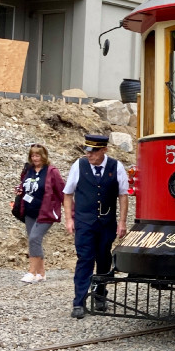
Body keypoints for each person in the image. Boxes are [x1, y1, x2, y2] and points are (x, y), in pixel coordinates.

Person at [62, 134, 129, 319]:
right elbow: (67, 194)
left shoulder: (116, 167)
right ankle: (79, 302)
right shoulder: (79, 165)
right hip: (84, 223)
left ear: (104, 150)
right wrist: (69, 219)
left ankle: (100, 295)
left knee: (104, 259)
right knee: (84, 259)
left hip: (106, 223)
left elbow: (123, 195)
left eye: (93, 151)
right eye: (87, 151)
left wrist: (122, 222)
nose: (89, 155)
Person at [18, 144, 65, 284]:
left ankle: (32, 272)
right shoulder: (28, 170)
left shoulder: (52, 172)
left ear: (43, 156)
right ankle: (41, 273)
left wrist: (71, 214)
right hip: (29, 211)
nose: (35, 158)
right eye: (33, 155)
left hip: (45, 212)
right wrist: (20, 191)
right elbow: (24, 185)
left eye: (37, 155)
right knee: (34, 241)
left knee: (34, 238)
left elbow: (63, 192)